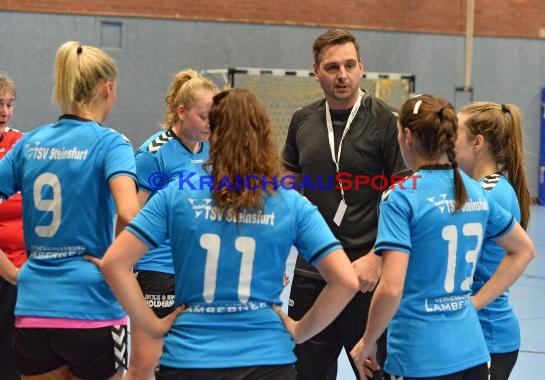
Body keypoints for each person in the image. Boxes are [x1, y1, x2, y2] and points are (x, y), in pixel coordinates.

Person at [99, 88, 360, 380]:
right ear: (264, 134)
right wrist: (300, 330)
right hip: (267, 359)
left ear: (215, 134)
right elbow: (346, 280)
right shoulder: (290, 202)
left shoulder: (178, 193)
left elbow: (113, 263)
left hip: (191, 358)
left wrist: (153, 325)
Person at [350, 94, 536, 380]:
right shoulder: (473, 191)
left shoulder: (402, 195)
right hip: (470, 347)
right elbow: (524, 249)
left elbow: (390, 287)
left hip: (421, 351)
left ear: (407, 137)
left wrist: (368, 339)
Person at [0, 41, 139, 380]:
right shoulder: (111, 143)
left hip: (35, 307)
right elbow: (130, 213)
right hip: (92, 305)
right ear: (107, 88)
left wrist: (13, 273)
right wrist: (114, 264)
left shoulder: (29, 143)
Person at [282, 29, 408, 379]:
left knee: (372, 372)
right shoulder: (301, 120)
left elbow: (404, 196)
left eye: (350, 65)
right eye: (332, 66)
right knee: (307, 372)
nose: (342, 75)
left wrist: (378, 257)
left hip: (366, 275)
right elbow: (287, 192)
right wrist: (275, 250)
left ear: (361, 67)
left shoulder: (387, 121)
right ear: (316, 72)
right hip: (312, 272)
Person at [128, 68, 219, 380]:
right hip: (159, 268)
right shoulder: (154, 154)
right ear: (182, 112)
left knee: (193, 363)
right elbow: (131, 215)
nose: (211, 124)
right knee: (146, 364)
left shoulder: (213, 150)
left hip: (199, 267)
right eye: (204, 116)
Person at [454, 102, 532, 380]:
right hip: (467, 334)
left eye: (455, 133)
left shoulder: (494, 193)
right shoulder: (474, 187)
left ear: (477, 142)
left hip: (489, 335)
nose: (449, 140)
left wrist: (474, 303)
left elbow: (521, 253)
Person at [0, 73, 25, 380]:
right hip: (6, 270)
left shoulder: (22, 145)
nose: (4, 111)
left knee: (13, 358)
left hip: (20, 273)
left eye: (9, 104)